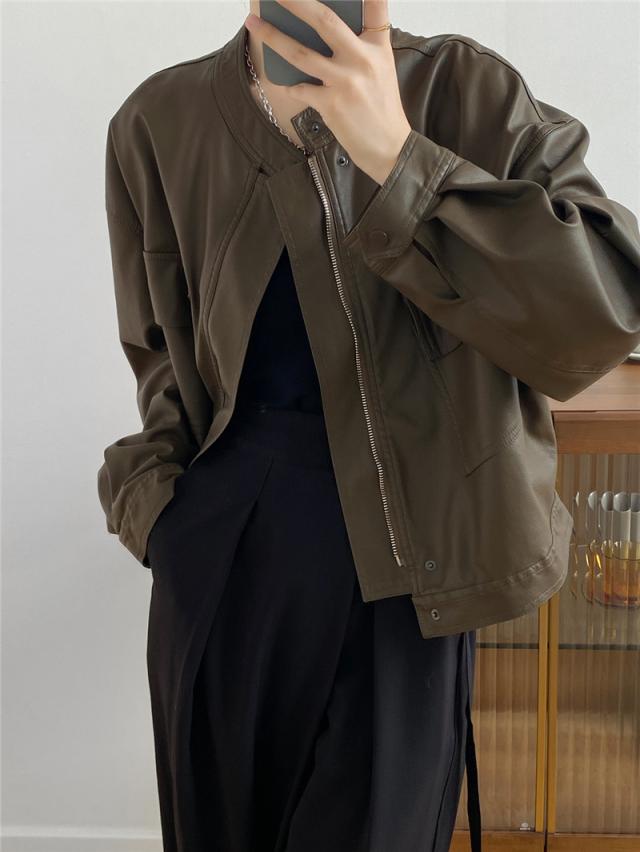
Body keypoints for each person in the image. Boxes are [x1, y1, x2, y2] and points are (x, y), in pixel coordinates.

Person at [98, 1, 640, 850]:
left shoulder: (468, 92)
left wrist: (395, 154)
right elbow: (162, 358)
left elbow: (599, 316)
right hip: (222, 549)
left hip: (417, 558)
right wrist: (161, 516)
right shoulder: (158, 120)